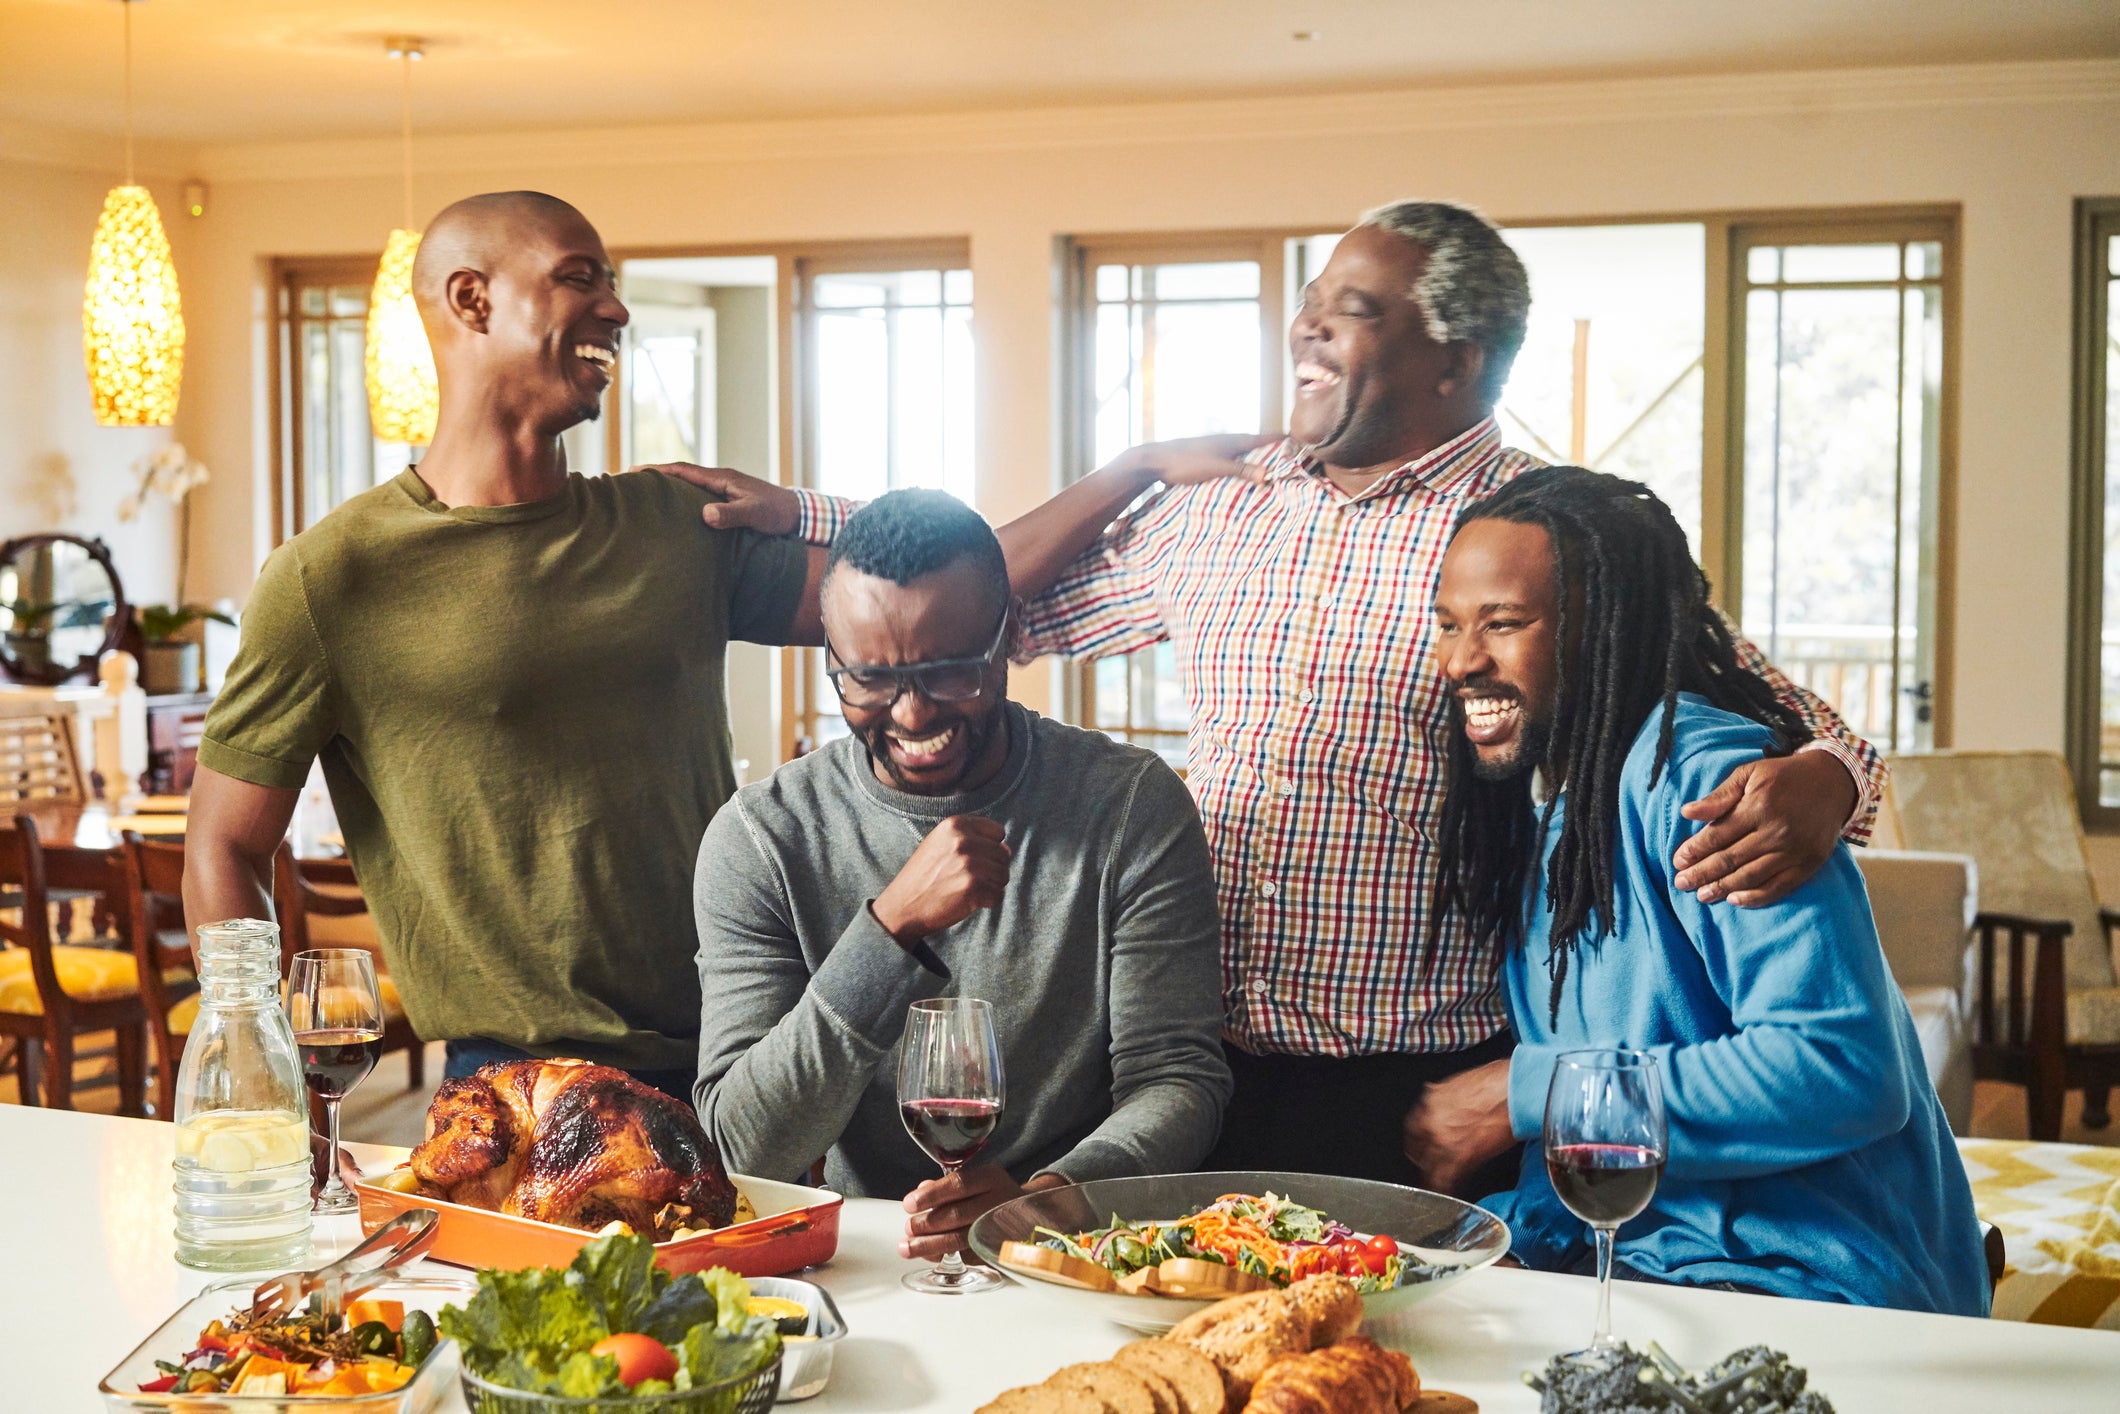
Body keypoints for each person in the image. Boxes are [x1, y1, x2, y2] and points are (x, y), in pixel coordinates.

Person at [670, 200, 1887, 1187]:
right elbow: (977, 606)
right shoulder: (1227, 504)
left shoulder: (1532, 531)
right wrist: (827, 515)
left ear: (1454, 360)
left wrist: (1824, 779)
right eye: (1301, 313)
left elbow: (1783, 715)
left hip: (1416, 1077)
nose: (1302, 339)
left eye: (1345, 316)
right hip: (1193, 1075)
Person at [184, 191, 825, 1101]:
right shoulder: (330, 578)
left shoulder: (679, 525)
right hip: (514, 1087)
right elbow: (223, 846)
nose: (616, 307)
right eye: (578, 277)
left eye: (613, 282)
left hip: (747, 1052)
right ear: (471, 300)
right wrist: (258, 1069)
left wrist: (805, 509)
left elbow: (942, 598)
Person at [1405, 465, 1986, 1314]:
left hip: (1807, 1280)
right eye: (1449, 624)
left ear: (1599, 627)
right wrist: (1507, 1243)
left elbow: (1843, 1068)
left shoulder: (1704, 783)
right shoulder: (1547, 810)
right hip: (1653, 1266)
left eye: (1504, 624)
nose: (1461, 660)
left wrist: (1527, 1092)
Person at [691, 489, 1230, 1260]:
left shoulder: (1129, 807)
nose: (911, 716)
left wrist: (1053, 1199)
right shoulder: (762, 838)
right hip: (864, 1259)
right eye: (869, 679)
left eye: (950, 674)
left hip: (1078, 1251)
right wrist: (889, 931)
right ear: (832, 658)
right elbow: (742, 1151)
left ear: (1008, 634)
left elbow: (1176, 1081)